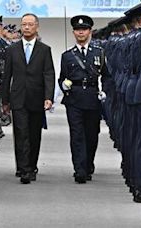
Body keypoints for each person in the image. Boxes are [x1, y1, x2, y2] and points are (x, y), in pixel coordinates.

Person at [2, 13, 55, 184]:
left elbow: (49, 74)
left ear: (36, 26)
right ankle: (23, 169)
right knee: (20, 133)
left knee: (34, 134)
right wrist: (5, 100)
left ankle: (32, 165)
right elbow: (6, 76)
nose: (26, 27)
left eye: (30, 24)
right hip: (18, 98)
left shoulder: (44, 49)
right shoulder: (11, 49)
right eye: (24, 24)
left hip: (36, 97)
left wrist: (48, 97)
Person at [58, 15, 111, 183]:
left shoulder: (99, 53)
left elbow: (107, 76)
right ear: (74, 32)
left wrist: (105, 92)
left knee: (91, 135)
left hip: (92, 99)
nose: (80, 32)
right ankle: (79, 170)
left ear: (89, 32)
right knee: (77, 134)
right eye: (77, 30)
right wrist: (63, 86)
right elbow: (62, 78)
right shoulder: (67, 56)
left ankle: (88, 165)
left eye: (84, 30)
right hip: (74, 99)